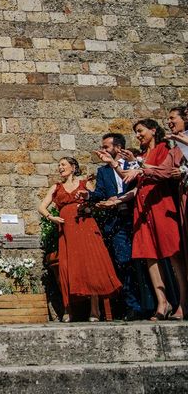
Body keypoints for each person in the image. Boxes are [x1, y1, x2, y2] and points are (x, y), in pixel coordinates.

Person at [110, 116, 188, 320]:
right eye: (136, 132)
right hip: (143, 208)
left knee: (173, 253)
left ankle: (183, 302)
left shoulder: (165, 148)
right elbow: (130, 176)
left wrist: (138, 165)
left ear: (153, 130)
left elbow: (163, 173)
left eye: (140, 130)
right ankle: (163, 303)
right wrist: (115, 164)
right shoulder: (144, 154)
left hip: (161, 204)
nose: (138, 135)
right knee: (149, 255)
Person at [38, 157, 122, 321]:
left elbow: (96, 202)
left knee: (91, 264)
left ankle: (94, 309)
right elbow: (41, 207)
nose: (60, 168)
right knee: (68, 266)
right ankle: (68, 310)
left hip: (86, 227)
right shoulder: (57, 187)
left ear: (73, 167)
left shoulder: (85, 184)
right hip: (67, 231)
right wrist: (51, 218)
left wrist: (88, 207)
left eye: (63, 164)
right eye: (59, 165)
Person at [79, 133, 144, 321]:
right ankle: (133, 306)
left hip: (135, 217)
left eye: (106, 147)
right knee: (123, 262)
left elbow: (136, 186)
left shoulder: (132, 165)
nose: (103, 151)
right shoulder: (103, 172)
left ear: (118, 147)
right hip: (115, 222)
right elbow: (100, 193)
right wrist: (88, 196)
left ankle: (151, 303)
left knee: (142, 261)